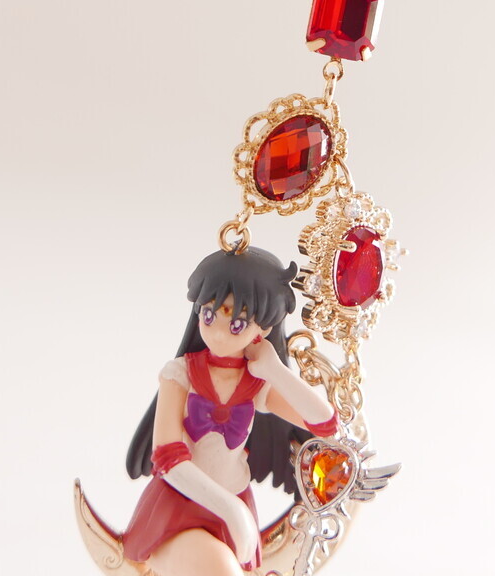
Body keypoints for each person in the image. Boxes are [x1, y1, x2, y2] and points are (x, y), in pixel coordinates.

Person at [123, 246, 337, 575]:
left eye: (237, 323)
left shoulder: (256, 384)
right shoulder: (179, 375)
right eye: (209, 316)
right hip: (178, 506)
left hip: (233, 507)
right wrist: (233, 511)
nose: (219, 333)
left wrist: (276, 370)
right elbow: (167, 458)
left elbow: (325, 423)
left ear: (263, 329)